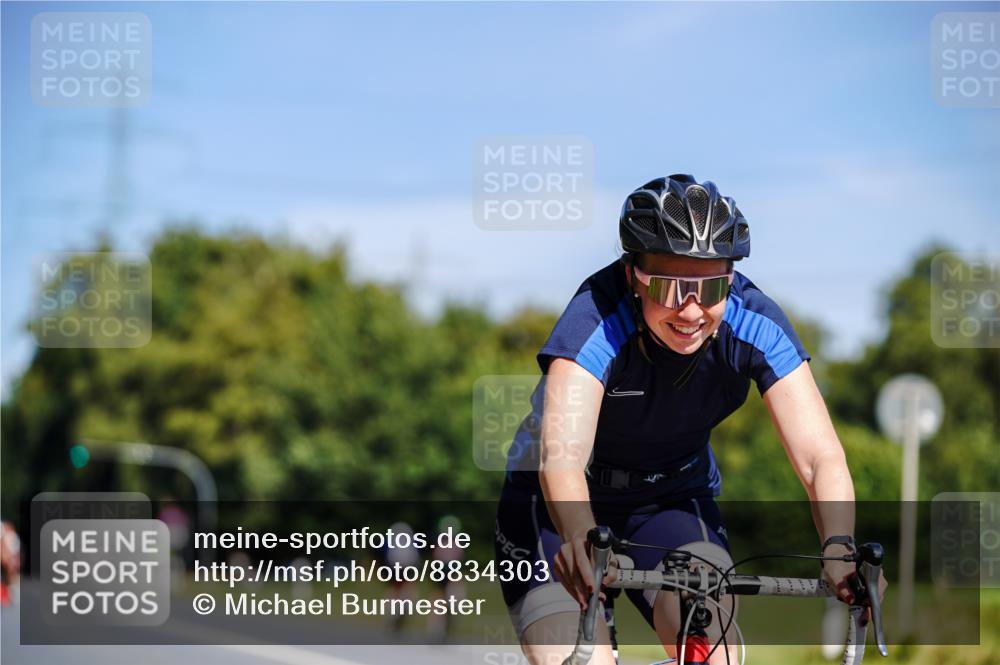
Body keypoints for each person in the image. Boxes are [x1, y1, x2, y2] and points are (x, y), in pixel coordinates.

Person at [494, 175, 887, 665]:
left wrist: (839, 544)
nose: (692, 309)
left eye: (712, 286)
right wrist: (578, 538)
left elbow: (819, 456)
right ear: (633, 274)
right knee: (574, 656)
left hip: (671, 499)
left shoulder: (754, 320)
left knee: (712, 643)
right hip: (554, 509)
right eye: (669, 286)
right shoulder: (594, 319)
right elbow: (564, 456)